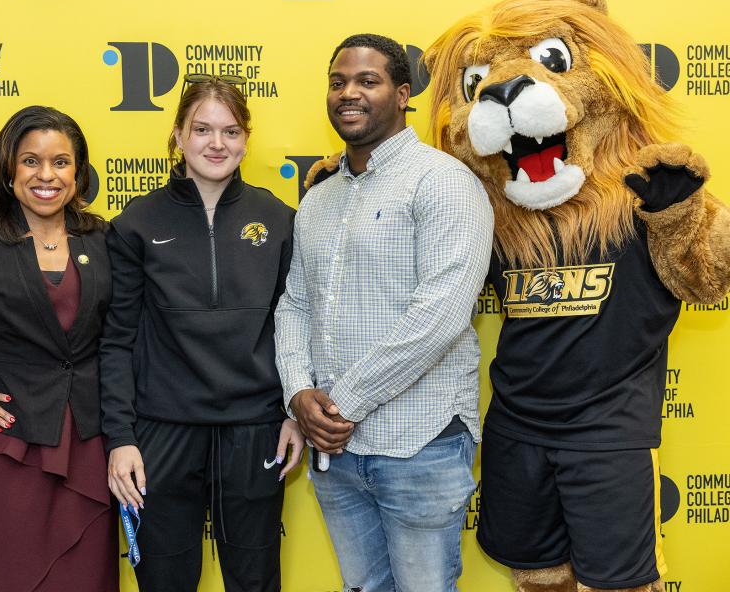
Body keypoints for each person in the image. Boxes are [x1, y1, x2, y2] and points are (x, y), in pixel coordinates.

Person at [274, 34, 494, 592]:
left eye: (367, 81)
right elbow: (295, 302)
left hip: (419, 443)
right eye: (338, 81)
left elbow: (439, 316)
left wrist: (337, 404)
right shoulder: (319, 199)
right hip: (337, 453)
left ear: (402, 94)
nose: (349, 93)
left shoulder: (445, 182)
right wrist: (299, 393)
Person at [100, 74, 303, 592]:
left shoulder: (279, 219)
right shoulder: (136, 223)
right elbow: (118, 340)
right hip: (162, 430)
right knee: (165, 579)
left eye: (231, 131)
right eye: (203, 129)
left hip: (254, 427)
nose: (217, 144)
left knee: (255, 580)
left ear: (246, 138)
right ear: (177, 135)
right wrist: (121, 438)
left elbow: (297, 324)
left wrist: (292, 414)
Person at [0, 106, 117, 591]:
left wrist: (339, 169)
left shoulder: (102, 239)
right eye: (31, 161)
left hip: (91, 450)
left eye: (61, 162)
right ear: (8, 168)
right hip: (13, 453)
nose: (46, 175)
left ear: (79, 172)